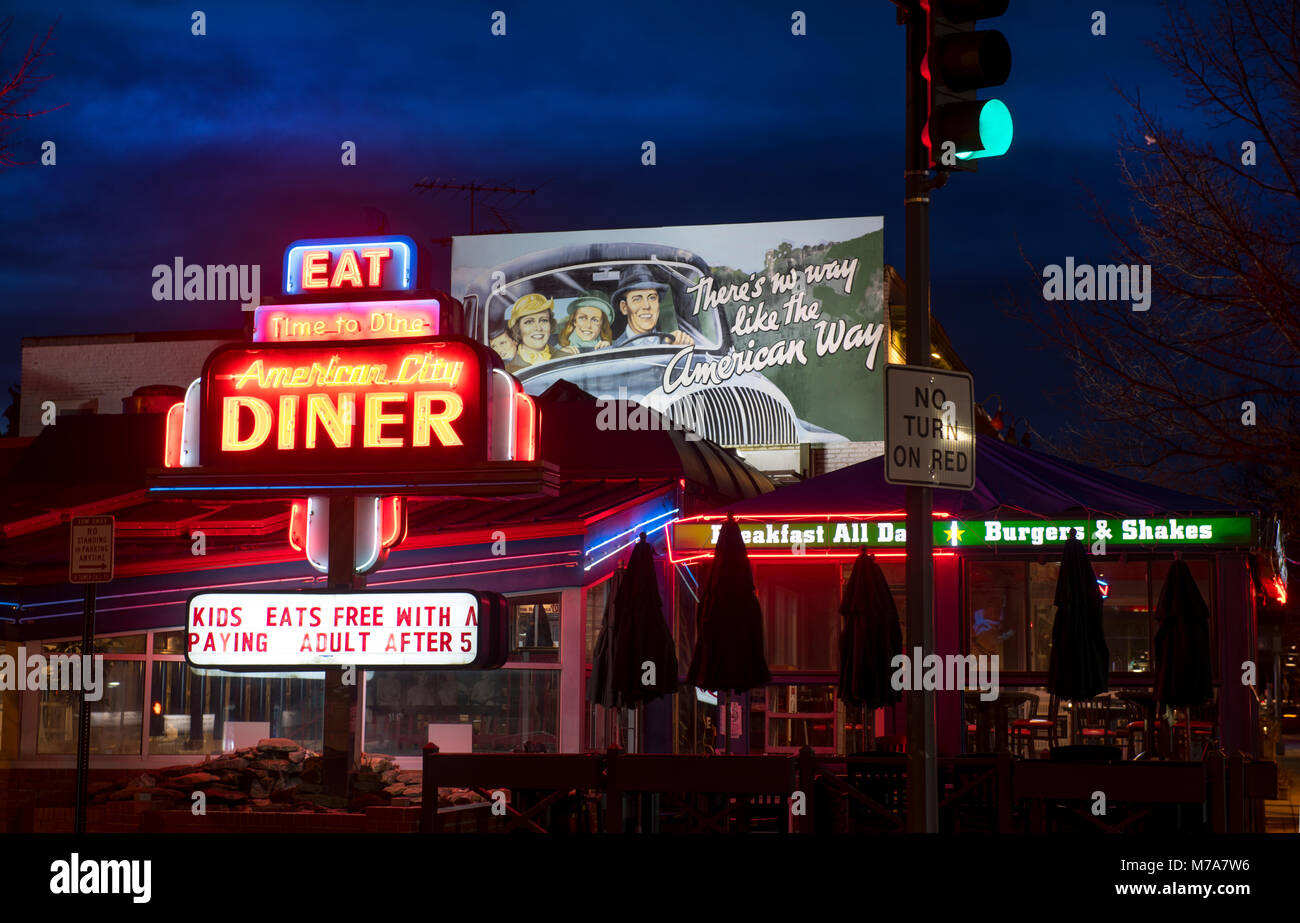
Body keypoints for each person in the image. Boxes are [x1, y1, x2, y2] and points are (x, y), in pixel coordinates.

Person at [610, 266, 694, 347]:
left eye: (652, 298)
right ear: (624, 308)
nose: (646, 306)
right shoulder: (609, 354)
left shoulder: (675, 344)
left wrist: (682, 342)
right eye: (637, 299)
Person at [503, 293, 556, 371]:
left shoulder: (567, 358)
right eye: (529, 322)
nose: (538, 328)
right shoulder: (508, 372)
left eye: (543, 320)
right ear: (518, 329)